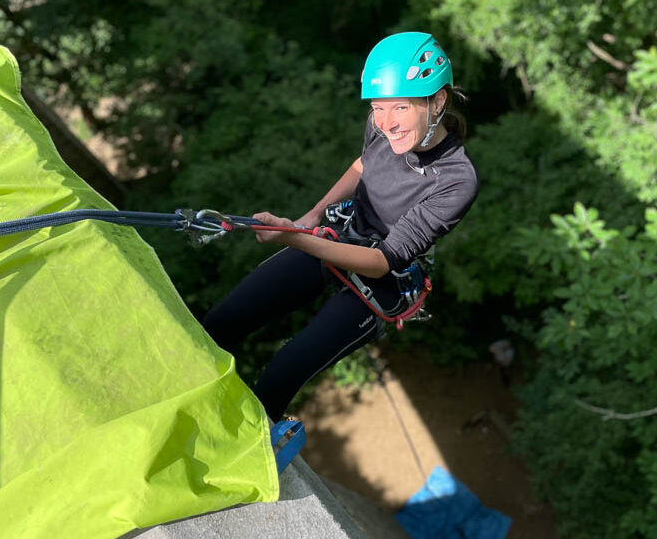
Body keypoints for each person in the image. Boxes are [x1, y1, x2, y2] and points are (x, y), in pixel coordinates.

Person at [203, 32, 478, 422]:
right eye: (379, 108)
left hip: (384, 276)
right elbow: (363, 164)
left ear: (438, 100)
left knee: (281, 375)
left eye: (400, 107)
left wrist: (293, 238)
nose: (386, 123)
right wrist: (312, 217)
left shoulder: (456, 180)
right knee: (223, 321)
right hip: (342, 233)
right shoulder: (380, 126)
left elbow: (383, 260)